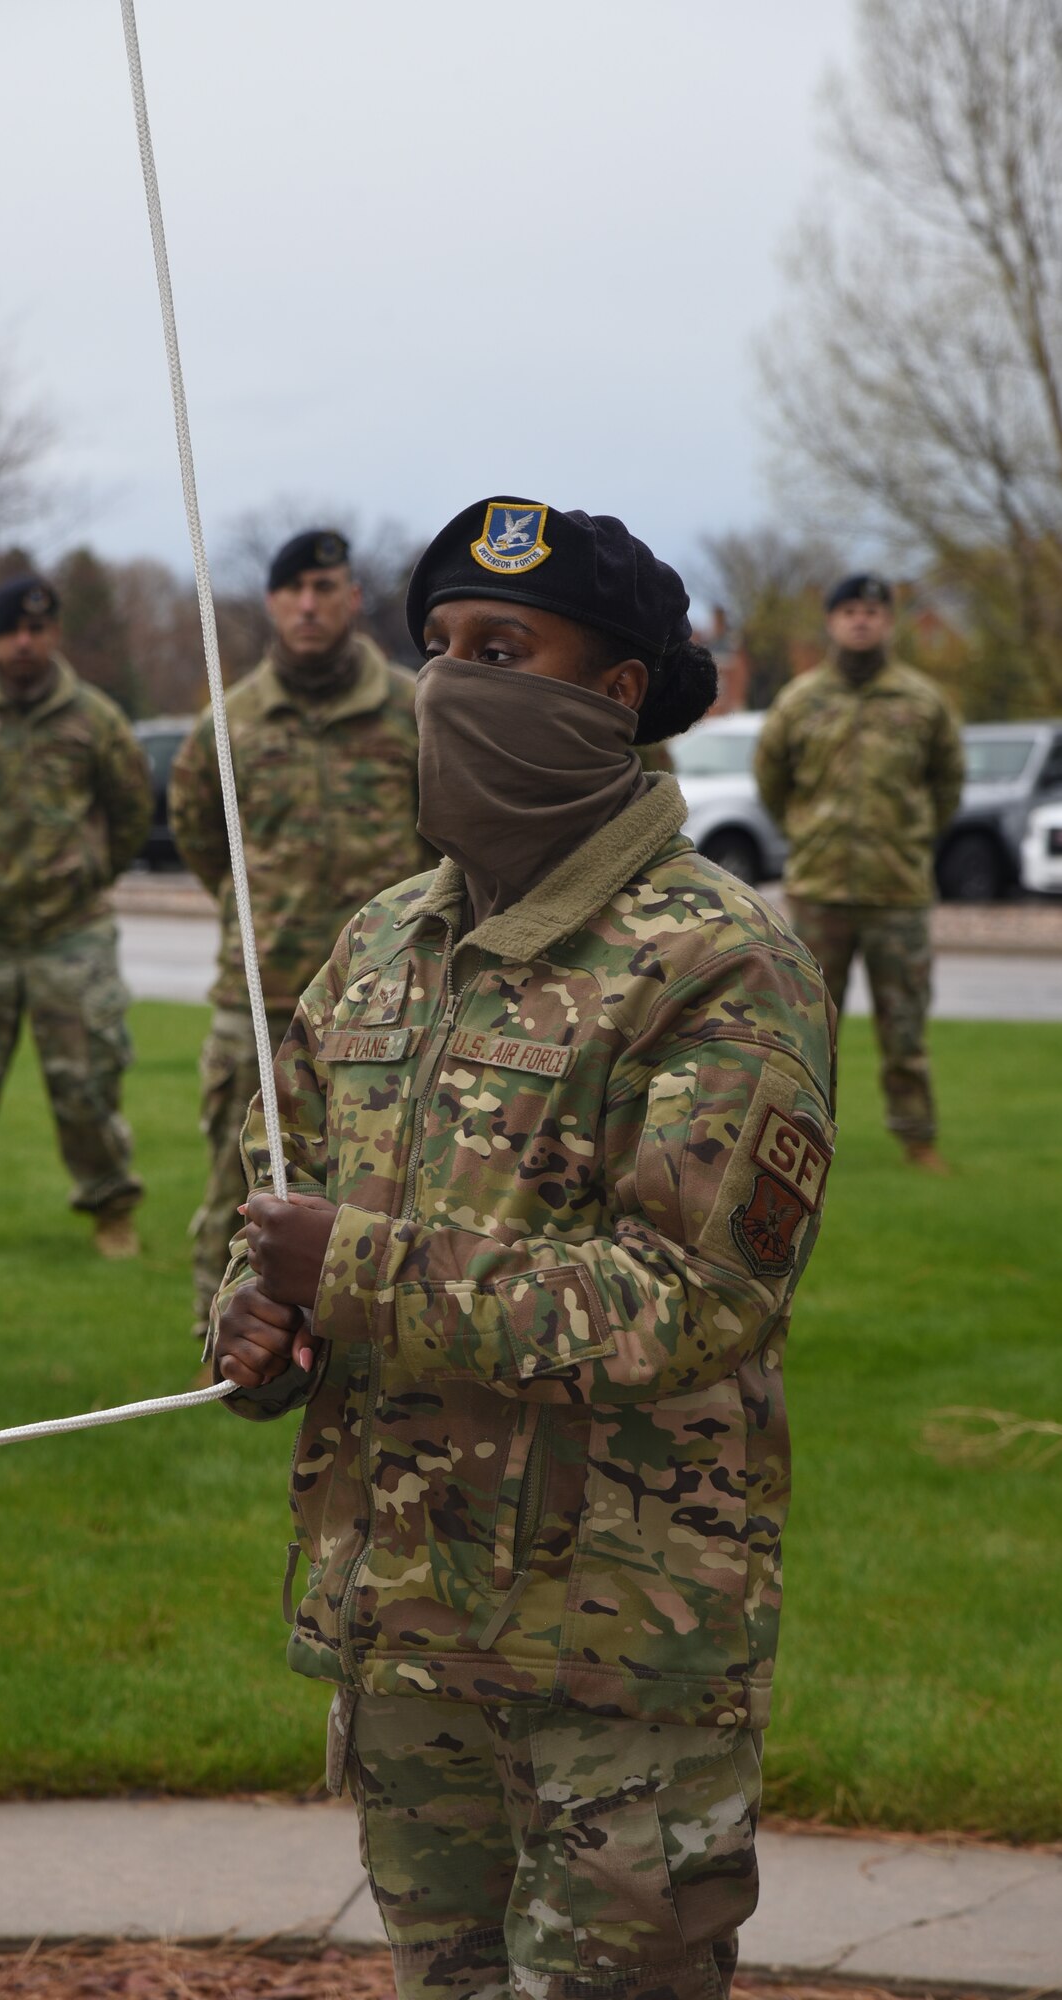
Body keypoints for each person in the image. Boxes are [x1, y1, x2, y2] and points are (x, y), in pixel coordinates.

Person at [211, 499, 837, 2000]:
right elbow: (271, 1201)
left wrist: (342, 1269)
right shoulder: (375, 948)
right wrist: (250, 1321)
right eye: (435, 649)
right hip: (407, 1624)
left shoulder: (714, 959)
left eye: (503, 648)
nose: (452, 683)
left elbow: (691, 1300)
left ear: (612, 694)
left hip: (614, 1649)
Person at [171, 527, 433, 1347]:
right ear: (273, 603)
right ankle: (221, 1348)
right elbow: (200, 837)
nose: (309, 605)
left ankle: (379, 1344)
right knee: (234, 1186)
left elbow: (446, 835)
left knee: (405, 1185)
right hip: (262, 992)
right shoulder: (231, 719)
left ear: (355, 598)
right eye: (294, 591)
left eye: (326, 589)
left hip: (400, 998)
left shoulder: (412, 709)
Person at [0, 576, 152, 1259]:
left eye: (38, 630)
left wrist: (91, 870)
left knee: (86, 1082)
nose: (25, 642)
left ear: (55, 635)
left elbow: (131, 808)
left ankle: (110, 1211)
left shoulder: (94, 717)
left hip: (69, 934)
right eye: (13, 629)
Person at [754, 572, 964, 1171]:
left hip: (897, 891)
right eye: (849, 610)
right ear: (831, 622)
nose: (861, 620)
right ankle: (801, 1144)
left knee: (906, 1029)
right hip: (820, 889)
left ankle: (917, 1138)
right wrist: (808, 834)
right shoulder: (800, 701)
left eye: (872, 611)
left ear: (888, 622)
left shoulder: (923, 702)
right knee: (810, 1029)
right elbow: (773, 783)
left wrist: (911, 838)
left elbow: (947, 784)